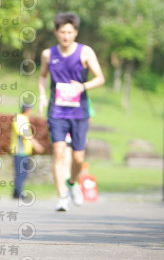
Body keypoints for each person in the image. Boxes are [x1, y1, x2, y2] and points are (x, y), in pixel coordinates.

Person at [38, 12, 105, 212]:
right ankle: (62, 197)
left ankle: (72, 182)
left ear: (75, 32)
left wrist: (83, 86)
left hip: (79, 111)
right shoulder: (48, 54)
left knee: (78, 158)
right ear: (56, 33)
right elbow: (42, 77)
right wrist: (42, 95)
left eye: (69, 32)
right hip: (57, 111)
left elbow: (100, 78)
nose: (66, 36)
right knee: (58, 152)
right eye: (62, 32)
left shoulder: (86, 52)